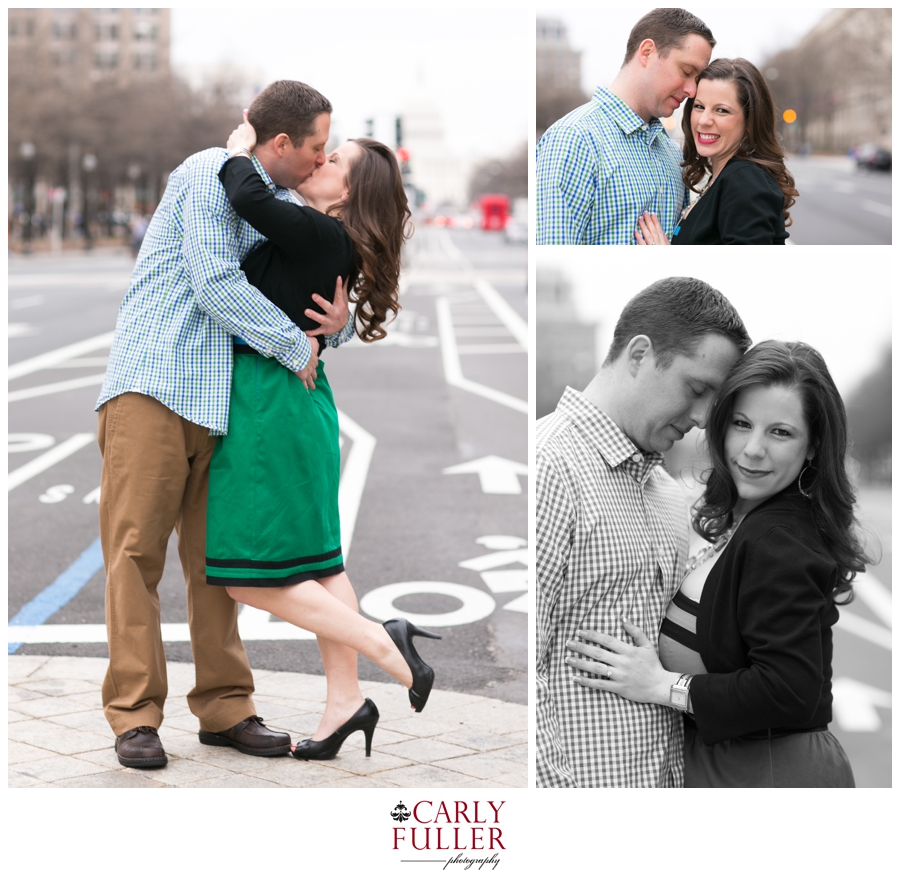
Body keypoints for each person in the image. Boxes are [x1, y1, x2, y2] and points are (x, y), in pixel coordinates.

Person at [95, 80, 354, 769]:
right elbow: (214, 280)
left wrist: (340, 326)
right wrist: (293, 344)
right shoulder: (210, 173)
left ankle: (226, 708)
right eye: (316, 148)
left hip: (225, 405)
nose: (319, 162)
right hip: (156, 385)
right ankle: (135, 716)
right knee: (135, 556)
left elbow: (315, 294)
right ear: (279, 144)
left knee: (219, 564)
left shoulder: (281, 206)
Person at [208, 119, 439, 761]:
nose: (319, 159)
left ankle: (384, 641)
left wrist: (235, 151)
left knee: (246, 577)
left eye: (334, 158)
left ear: (347, 192)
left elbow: (248, 196)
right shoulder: (329, 237)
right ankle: (343, 705)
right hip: (301, 401)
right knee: (320, 565)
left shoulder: (315, 229)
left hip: (270, 402)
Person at [566, 341, 866, 787]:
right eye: (742, 424)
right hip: (745, 765)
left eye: (780, 432)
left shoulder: (778, 537)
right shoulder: (758, 521)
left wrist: (660, 685)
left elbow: (790, 691)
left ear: (812, 447)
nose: (753, 449)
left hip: (768, 773)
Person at [536, 277, 751, 787]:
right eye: (696, 390)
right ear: (638, 354)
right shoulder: (550, 465)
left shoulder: (668, 495)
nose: (701, 419)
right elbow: (531, 672)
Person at [536, 8, 714, 245]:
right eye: (686, 71)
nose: (692, 90)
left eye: (696, 79)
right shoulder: (574, 140)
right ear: (647, 52)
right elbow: (552, 255)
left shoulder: (671, 153)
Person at [635, 58, 799, 245]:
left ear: (749, 121)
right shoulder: (724, 177)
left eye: (721, 110)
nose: (704, 120)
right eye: (699, 106)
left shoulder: (745, 180)